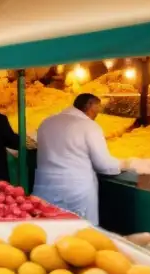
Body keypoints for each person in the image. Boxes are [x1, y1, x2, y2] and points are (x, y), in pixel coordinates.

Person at [33, 93, 121, 224]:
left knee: (49, 232)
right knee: (79, 235)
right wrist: (126, 164)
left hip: (46, 188)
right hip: (74, 193)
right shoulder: (89, 126)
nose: (98, 113)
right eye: (98, 108)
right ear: (90, 106)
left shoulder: (47, 122)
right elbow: (104, 165)